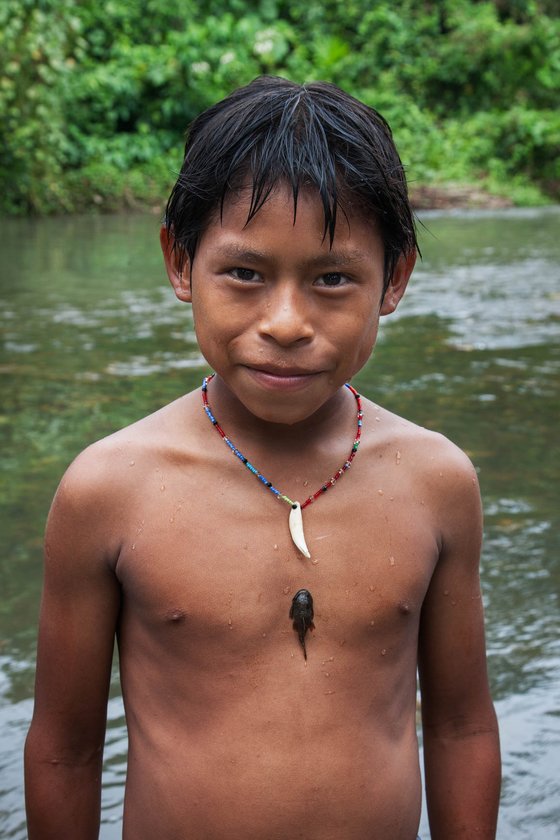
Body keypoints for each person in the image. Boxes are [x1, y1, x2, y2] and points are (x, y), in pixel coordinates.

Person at [24, 76, 501, 839]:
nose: (285, 322)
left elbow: (461, 729)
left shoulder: (436, 482)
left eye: (333, 278)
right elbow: (63, 753)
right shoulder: (110, 490)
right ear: (181, 265)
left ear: (395, 279)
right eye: (245, 274)